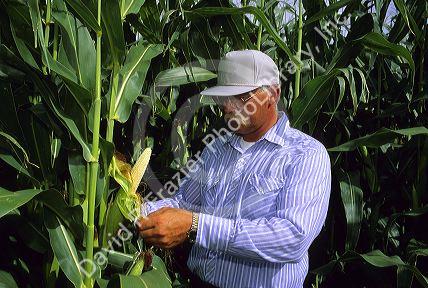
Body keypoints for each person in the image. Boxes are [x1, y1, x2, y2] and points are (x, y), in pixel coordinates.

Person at [137, 50, 331, 288]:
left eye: (240, 97)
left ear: (273, 94)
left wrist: (196, 226)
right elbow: (184, 203)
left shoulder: (306, 154)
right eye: (223, 98)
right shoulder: (216, 148)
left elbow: (291, 238)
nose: (228, 106)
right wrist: (136, 212)